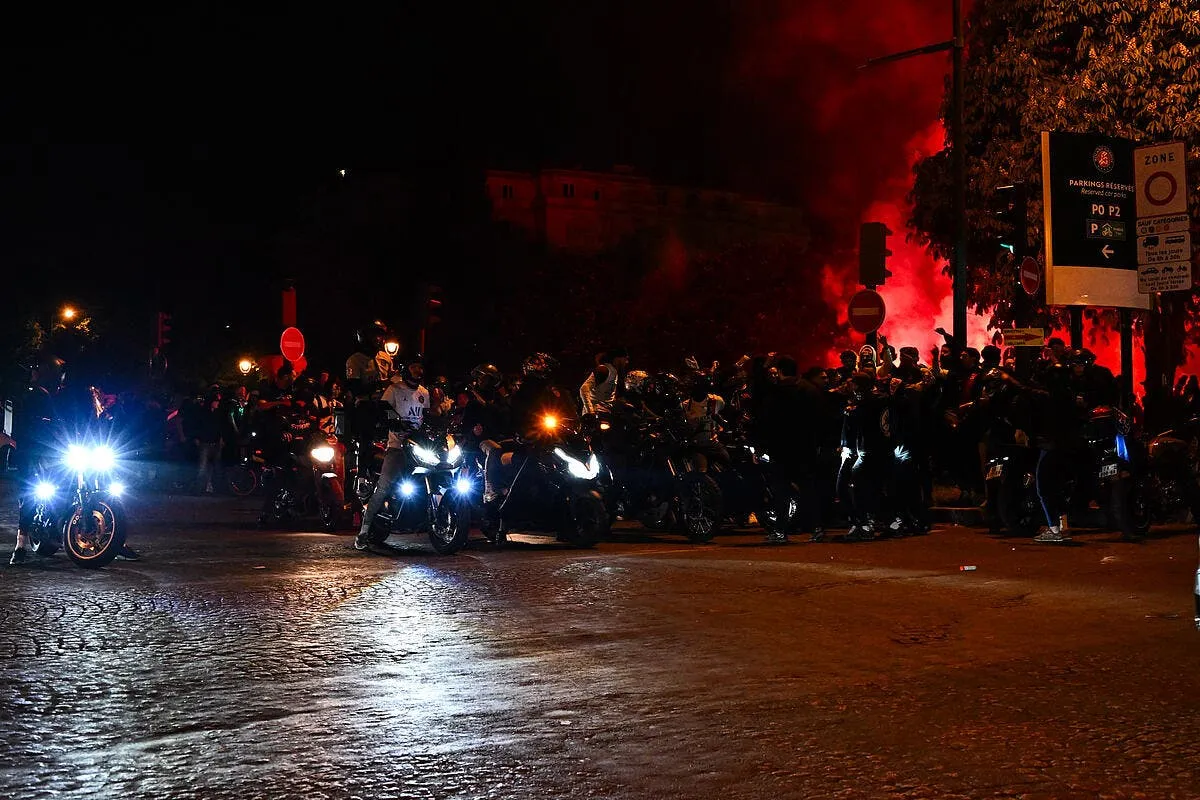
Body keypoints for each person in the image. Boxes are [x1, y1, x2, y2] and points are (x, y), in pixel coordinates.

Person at [355, 360, 429, 552]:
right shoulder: (394, 389)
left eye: (420, 368)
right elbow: (383, 410)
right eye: (413, 367)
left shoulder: (424, 392)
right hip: (398, 445)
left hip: (419, 446)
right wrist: (396, 424)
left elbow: (428, 418)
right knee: (384, 486)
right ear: (406, 370)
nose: (417, 371)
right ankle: (364, 532)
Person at [579, 348, 629, 417]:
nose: (626, 362)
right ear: (618, 358)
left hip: (605, 414)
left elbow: (606, 397)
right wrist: (590, 411)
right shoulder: (604, 369)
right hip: (596, 415)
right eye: (625, 359)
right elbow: (584, 389)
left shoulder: (614, 373)